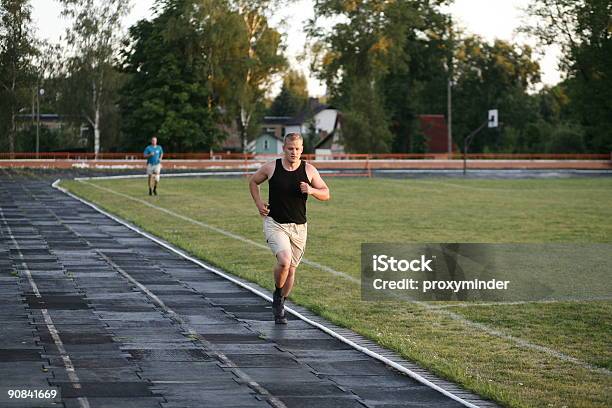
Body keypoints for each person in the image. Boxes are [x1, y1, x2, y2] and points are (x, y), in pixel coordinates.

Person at [249, 133, 330, 324]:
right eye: (290, 148)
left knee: (291, 270)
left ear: (302, 150)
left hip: (299, 227)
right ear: (284, 149)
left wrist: (312, 190)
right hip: (275, 223)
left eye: (297, 149)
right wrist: (259, 203)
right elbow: (253, 181)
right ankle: (278, 295)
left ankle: (281, 303)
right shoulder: (271, 167)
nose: (294, 152)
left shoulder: (309, 170)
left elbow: (326, 193)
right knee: (284, 262)